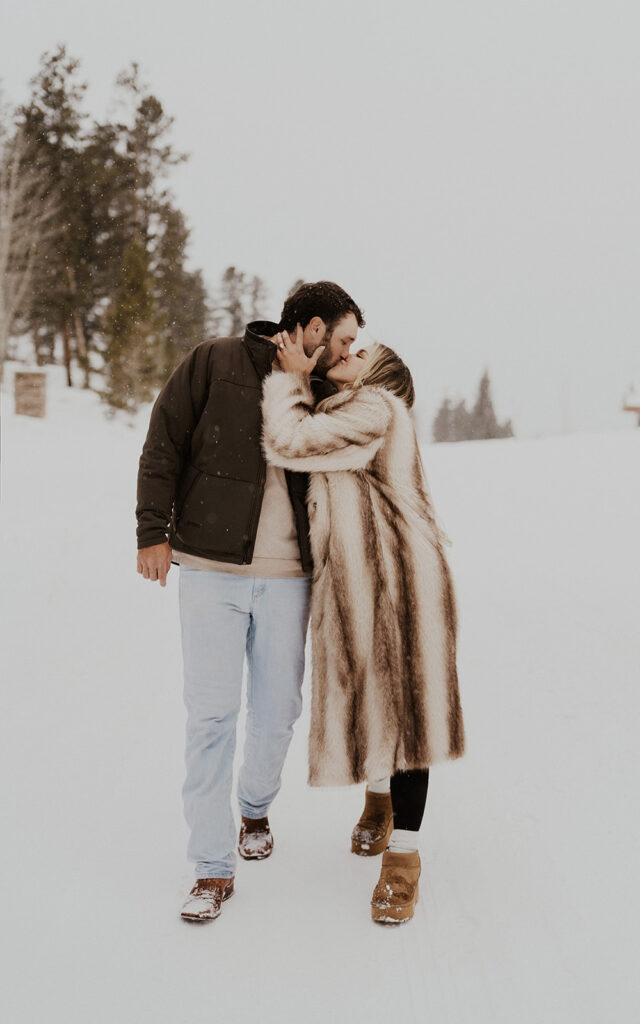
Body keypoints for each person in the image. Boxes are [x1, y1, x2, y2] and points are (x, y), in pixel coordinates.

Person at [136, 282, 364, 922]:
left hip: (291, 575)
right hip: (210, 569)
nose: (349, 350)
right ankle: (211, 866)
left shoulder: (324, 391)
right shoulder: (214, 361)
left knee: (278, 710)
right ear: (312, 328)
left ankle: (255, 805)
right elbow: (164, 441)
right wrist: (151, 529)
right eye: (343, 338)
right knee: (209, 718)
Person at [261, 327, 465, 924]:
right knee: (372, 695)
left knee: (411, 714)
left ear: (379, 377)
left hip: (403, 582)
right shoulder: (348, 406)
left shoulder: (375, 409)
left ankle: (404, 864)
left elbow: (288, 442)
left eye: (361, 354)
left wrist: (289, 380)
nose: (347, 353)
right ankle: (380, 799)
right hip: (357, 580)